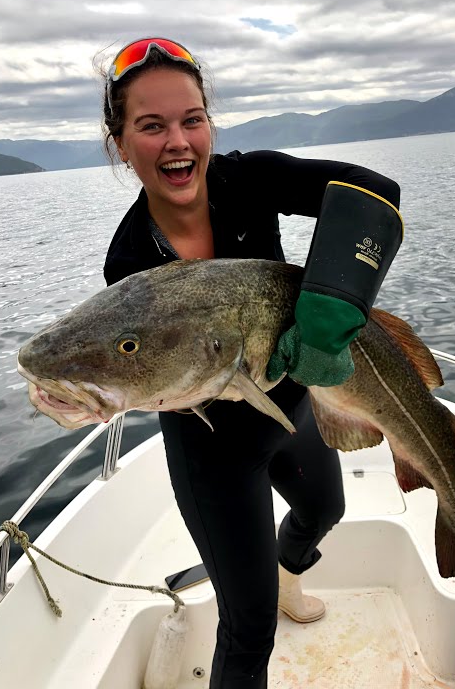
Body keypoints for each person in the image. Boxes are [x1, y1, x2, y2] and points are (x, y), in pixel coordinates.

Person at [98, 37, 403, 688]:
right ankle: (266, 598)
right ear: (120, 144)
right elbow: (133, 371)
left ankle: (290, 572)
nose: (178, 141)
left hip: (294, 407)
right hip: (214, 453)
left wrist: (331, 309)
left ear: (209, 123)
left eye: (192, 119)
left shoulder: (248, 177)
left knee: (324, 511)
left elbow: (373, 194)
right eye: (151, 126)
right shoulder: (129, 266)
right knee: (248, 630)